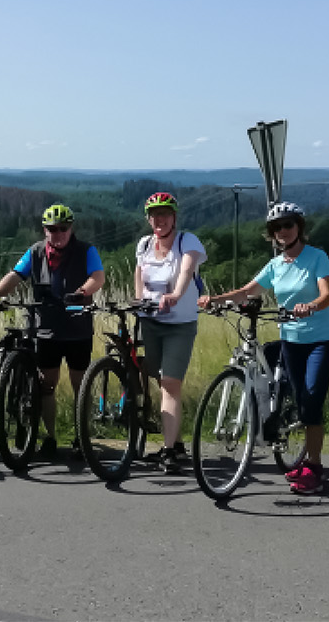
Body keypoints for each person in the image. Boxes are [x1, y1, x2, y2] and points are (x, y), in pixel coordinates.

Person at [200, 202, 329, 495]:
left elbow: (327, 295)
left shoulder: (317, 257)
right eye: (276, 228)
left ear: (299, 226)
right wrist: (213, 300)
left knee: (312, 400)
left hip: (320, 339)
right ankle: (286, 436)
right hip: (291, 339)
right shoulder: (276, 265)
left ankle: (314, 466)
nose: (282, 232)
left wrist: (310, 306)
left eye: (287, 225)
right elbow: (247, 291)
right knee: (299, 397)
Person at [0, 204, 106, 458]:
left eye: (62, 229)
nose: (57, 233)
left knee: (80, 385)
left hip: (77, 328)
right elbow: (15, 275)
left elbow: (98, 277)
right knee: (46, 386)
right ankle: (50, 436)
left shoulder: (85, 250)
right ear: (44, 229)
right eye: (51, 229)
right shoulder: (35, 252)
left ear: (71, 229)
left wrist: (82, 292)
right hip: (45, 329)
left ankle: (83, 436)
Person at [134, 192, 206, 475]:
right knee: (157, 378)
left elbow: (187, 270)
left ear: (174, 217)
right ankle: (176, 444)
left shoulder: (187, 241)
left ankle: (167, 453)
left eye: (164, 214)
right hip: (150, 321)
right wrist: (138, 301)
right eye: (154, 215)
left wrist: (176, 294)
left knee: (170, 384)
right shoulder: (144, 244)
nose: (159, 219)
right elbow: (139, 274)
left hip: (180, 324)